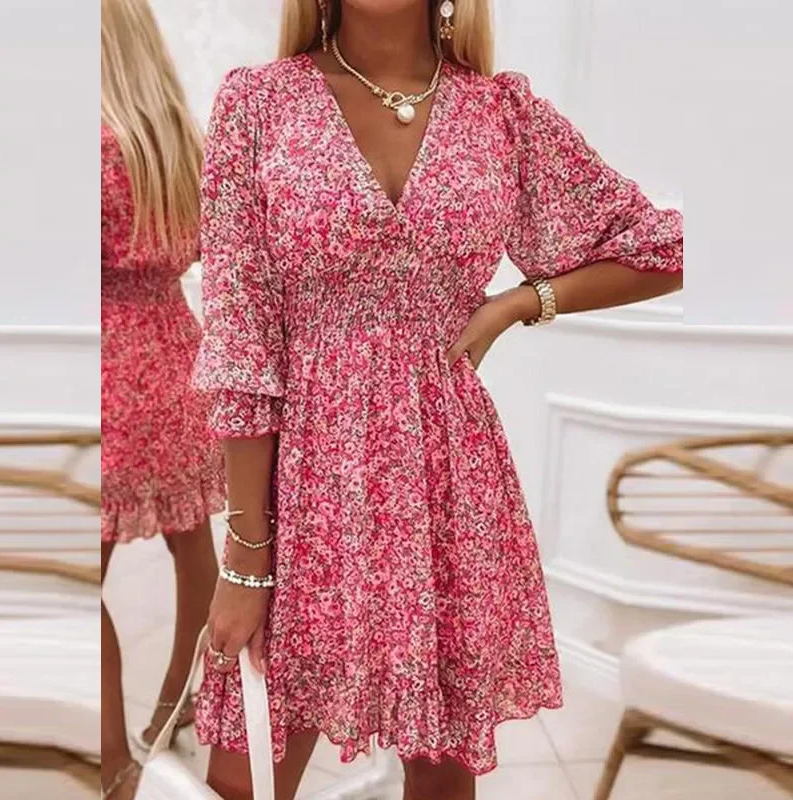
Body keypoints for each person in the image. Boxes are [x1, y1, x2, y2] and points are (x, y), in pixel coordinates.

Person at [193, 1, 683, 798]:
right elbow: (242, 344)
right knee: (244, 771)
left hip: (446, 481)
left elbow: (664, 245)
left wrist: (522, 301)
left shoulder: (501, 114)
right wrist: (247, 560)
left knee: (443, 768)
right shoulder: (259, 103)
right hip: (308, 487)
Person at [100, 0, 225, 796]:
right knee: (193, 544)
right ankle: (175, 708)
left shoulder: (87, 146)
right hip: (180, 357)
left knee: (73, 580)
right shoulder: (182, 138)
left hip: (108, 368)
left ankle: (112, 764)